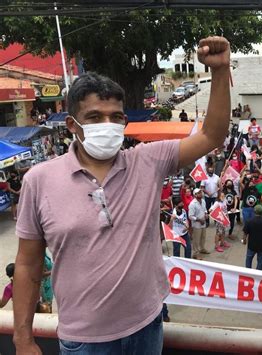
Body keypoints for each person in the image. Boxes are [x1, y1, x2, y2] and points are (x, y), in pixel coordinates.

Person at [14, 40, 231, 352]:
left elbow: (213, 133)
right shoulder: (39, 180)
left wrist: (220, 70)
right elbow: (27, 265)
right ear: (73, 125)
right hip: (84, 342)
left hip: (147, 327)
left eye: (116, 117)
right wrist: (23, 339)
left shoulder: (148, 161)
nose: (108, 125)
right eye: (95, 117)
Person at [243, 205, 262, 270]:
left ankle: (248, 271)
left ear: (254, 211)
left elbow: (245, 233)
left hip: (252, 244)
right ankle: (258, 272)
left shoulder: (249, 221)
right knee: (260, 261)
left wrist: (244, 240)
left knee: (249, 259)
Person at [189, 188, 210, 258]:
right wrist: (199, 220)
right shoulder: (192, 204)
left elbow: (205, 210)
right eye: (199, 193)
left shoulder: (203, 201)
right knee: (196, 239)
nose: (201, 194)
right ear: (195, 195)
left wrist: (206, 214)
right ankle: (195, 253)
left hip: (203, 223)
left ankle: (202, 249)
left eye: (201, 192)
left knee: (203, 237)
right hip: (196, 225)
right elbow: (190, 216)